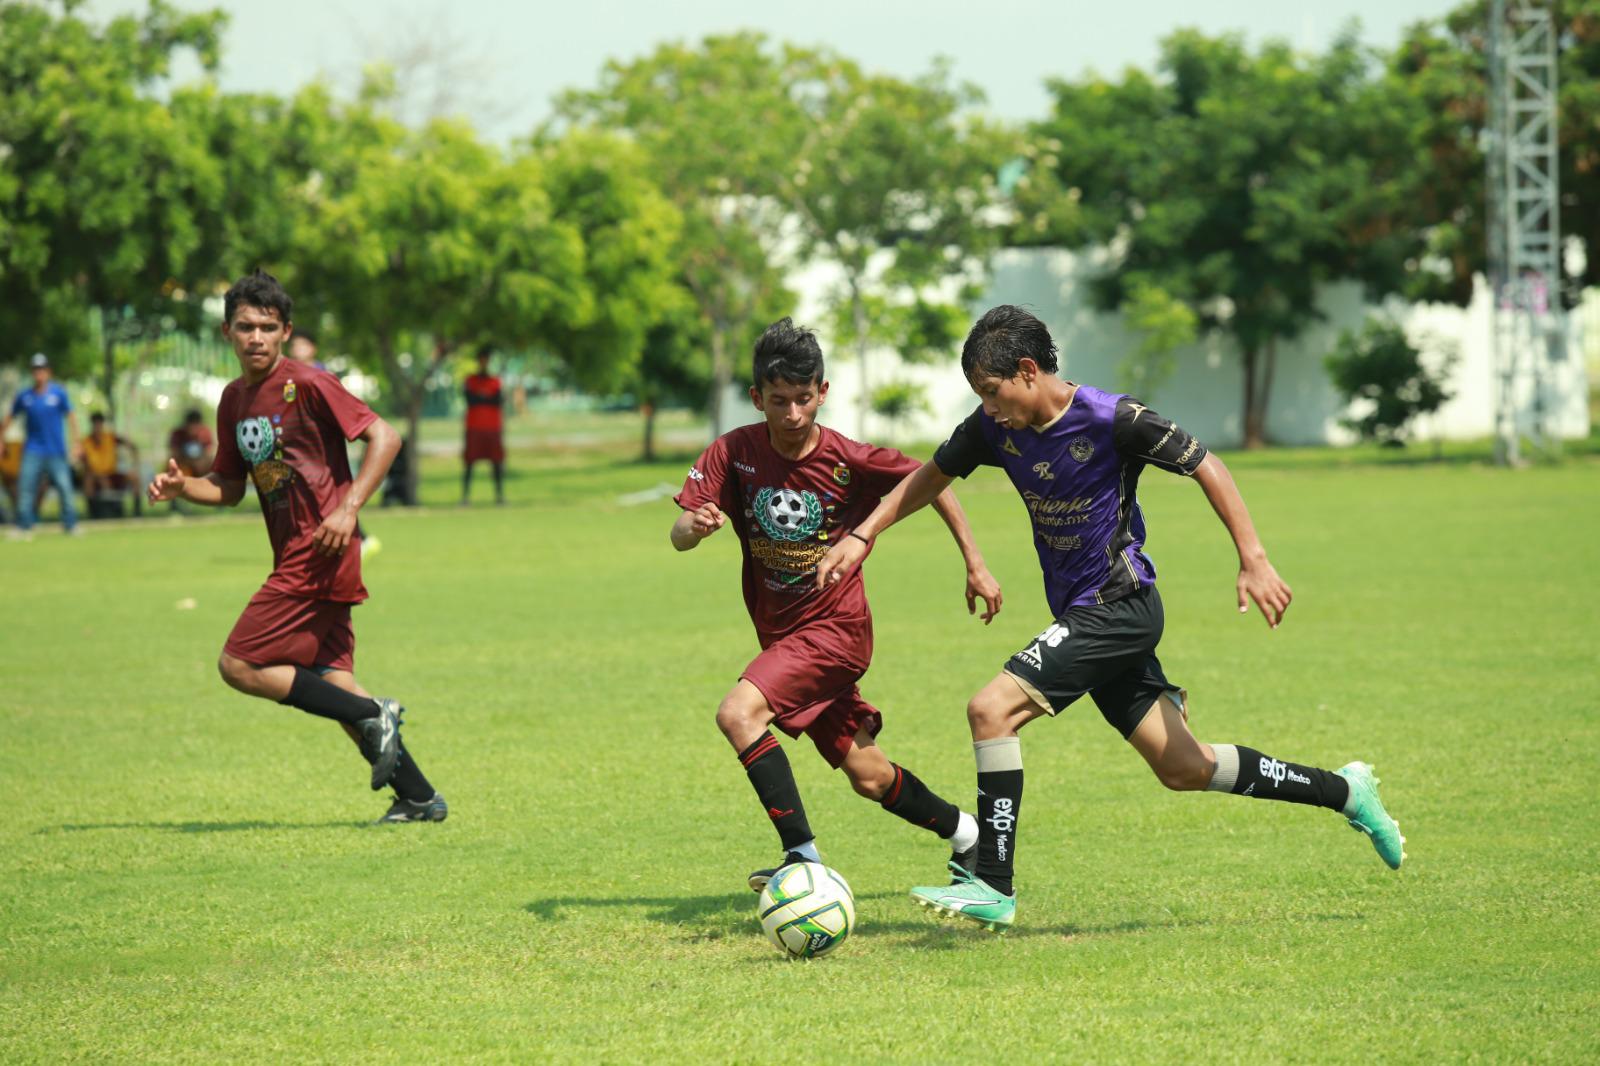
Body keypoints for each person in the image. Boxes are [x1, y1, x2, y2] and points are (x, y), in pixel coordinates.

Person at [816, 305, 1406, 932]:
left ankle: (993, 879)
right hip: (1082, 613)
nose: (988, 408)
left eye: (992, 392)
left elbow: (1207, 463)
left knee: (991, 709)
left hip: (1119, 605)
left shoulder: (1113, 418)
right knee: (1184, 768)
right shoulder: (995, 429)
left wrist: (1253, 559)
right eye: (979, 398)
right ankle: (1345, 791)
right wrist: (863, 536)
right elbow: (927, 477)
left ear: (1026, 370)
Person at [672, 317, 1003, 891]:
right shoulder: (734, 452)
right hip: (784, 639)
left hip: (836, 632)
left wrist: (974, 562)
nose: (794, 414)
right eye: (779, 401)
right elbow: (677, 532)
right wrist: (694, 527)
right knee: (868, 774)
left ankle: (802, 858)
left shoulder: (849, 458)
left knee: (738, 714)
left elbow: (934, 481)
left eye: (805, 399)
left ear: (822, 392)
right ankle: (968, 837)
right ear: (757, 398)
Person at [146, 270, 446, 823]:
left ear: (284, 331)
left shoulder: (308, 383)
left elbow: (387, 436)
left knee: (239, 664)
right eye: (244, 327)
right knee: (334, 682)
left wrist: (349, 507)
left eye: (266, 327)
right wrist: (183, 487)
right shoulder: (234, 400)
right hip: (295, 554)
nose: (255, 337)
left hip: (321, 549)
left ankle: (375, 713)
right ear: (227, 332)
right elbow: (230, 486)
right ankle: (419, 797)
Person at [2, 353, 81, 538]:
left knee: (64, 488)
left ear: (48, 372)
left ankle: (71, 524)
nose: (39, 374)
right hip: (32, 450)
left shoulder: (58, 393)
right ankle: (24, 526)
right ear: (32, 373)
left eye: (42, 370)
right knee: (26, 488)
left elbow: (71, 417)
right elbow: (9, 417)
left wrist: (76, 443)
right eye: (36, 370)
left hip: (56, 450)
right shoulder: (25, 396)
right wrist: (1, 438)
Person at [461, 344, 505, 505]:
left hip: (493, 427)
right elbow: (470, 400)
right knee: (469, 463)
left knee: (497, 463)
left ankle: (499, 496)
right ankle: (465, 497)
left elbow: (498, 400)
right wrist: (486, 398)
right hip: (474, 427)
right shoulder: (470, 380)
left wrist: (481, 397)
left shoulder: (495, 381)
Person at [81, 412, 140, 519]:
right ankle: (95, 514)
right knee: (90, 480)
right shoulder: (86, 442)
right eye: (95, 425)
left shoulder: (110, 437)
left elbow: (132, 446)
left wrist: (134, 465)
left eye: (100, 424)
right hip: (95, 475)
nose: (98, 427)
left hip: (112, 473)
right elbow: (83, 463)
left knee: (134, 478)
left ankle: (137, 513)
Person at [168, 409, 215, 478]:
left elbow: (209, 451)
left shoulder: (205, 433)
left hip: (201, 463)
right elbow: (174, 452)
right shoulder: (178, 434)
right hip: (183, 463)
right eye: (191, 426)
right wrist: (189, 463)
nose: (193, 429)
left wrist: (199, 463)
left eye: (196, 425)